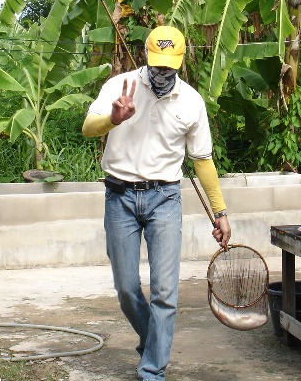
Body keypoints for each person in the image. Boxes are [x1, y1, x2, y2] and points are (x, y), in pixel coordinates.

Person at [82, 25, 231, 381]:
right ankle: (154, 343)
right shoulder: (120, 86)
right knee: (126, 288)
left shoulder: (192, 101)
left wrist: (221, 211)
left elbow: (203, 161)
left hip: (165, 198)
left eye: (169, 66)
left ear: (180, 61)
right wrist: (113, 119)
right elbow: (88, 127)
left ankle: (153, 370)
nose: (161, 73)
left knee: (165, 292)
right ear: (146, 56)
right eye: (156, 64)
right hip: (119, 197)